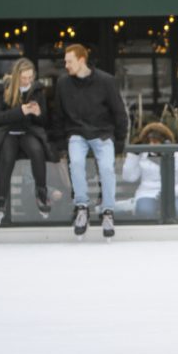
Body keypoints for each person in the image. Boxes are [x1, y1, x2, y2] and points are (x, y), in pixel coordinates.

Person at [53, 44, 129, 239]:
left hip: (103, 133)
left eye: (69, 61)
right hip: (76, 133)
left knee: (106, 168)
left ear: (81, 60)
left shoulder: (105, 81)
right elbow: (58, 115)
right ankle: (81, 207)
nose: (66, 65)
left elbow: (119, 112)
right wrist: (60, 143)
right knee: (76, 163)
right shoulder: (63, 84)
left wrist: (120, 140)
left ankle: (107, 211)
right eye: (65, 61)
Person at [0, 58, 57, 226]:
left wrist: (38, 113)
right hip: (8, 132)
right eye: (24, 78)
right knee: (6, 158)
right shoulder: (1, 89)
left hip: (28, 131)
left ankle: (41, 192)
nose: (27, 81)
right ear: (16, 76)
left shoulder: (37, 91)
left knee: (37, 151)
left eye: (30, 77)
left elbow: (44, 121)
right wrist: (20, 111)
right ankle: (0, 200)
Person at [120, 122, 178, 219]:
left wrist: (173, 192)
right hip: (147, 193)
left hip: (173, 194)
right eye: (151, 140)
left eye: (157, 141)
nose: (153, 144)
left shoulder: (176, 155)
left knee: (176, 210)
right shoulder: (142, 155)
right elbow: (129, 177)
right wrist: (133, 155)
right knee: (145, 211)